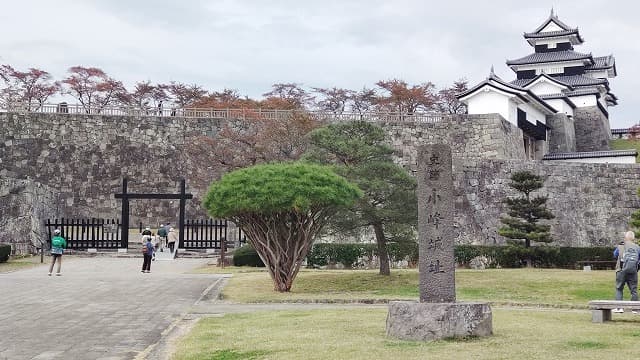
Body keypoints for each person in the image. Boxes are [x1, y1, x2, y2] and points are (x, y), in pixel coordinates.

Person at [613, 231, 640, 313]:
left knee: (619, 288)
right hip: (633, 270)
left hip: (621, 270)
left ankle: (619, 308)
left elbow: (615, 255)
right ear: (633, 238)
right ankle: (635, 309)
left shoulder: (621, 246)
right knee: (633, 290)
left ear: (625, 238)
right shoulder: (637, 247)